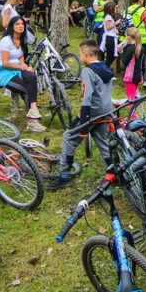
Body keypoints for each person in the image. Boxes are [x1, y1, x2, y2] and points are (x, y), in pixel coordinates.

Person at [49, 39, 114, 190]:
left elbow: (87, 98)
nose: (81, 57)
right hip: (106, 112)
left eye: (80, 55)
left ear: (85, 54)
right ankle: (113, 171)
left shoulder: (87, 71)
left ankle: (65, 175)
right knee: (103, 142)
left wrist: (83, 122)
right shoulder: (105, 67)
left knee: (68, 138)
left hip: (91, 113)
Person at [0, 17, 45, 132]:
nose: (21, 26)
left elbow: (21, 57)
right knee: (25, 89)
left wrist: (26, 66)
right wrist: (21, 66)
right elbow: (6, 63)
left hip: (17, 69)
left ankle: (33, 109)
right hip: (4, 71)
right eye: (17, 24)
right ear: (12, 26)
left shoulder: (22, 40)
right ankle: (32, 121)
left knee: (31, 76)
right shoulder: (6, 41)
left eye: (22, 24)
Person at [120, 27, 144, 102]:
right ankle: (134, 112)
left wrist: (121, 53)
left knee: (130, 99)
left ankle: (133, 114)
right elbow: (143, 64)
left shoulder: (130, 49)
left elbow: (124, 62)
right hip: (138, 75)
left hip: (130, 76)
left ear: (129, 38)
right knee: (134, 95)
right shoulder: (141, 48)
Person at [100, 1, 119, 67]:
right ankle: (105, 69)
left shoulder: (110, 17)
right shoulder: (108, 17)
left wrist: (115, 30)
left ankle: (106, 69)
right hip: (109, 37)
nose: (116, 9)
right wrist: (116, 23)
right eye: (115, 8)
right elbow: (108, 27)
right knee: (110, 55)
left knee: (112, 55)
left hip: (112, 36)